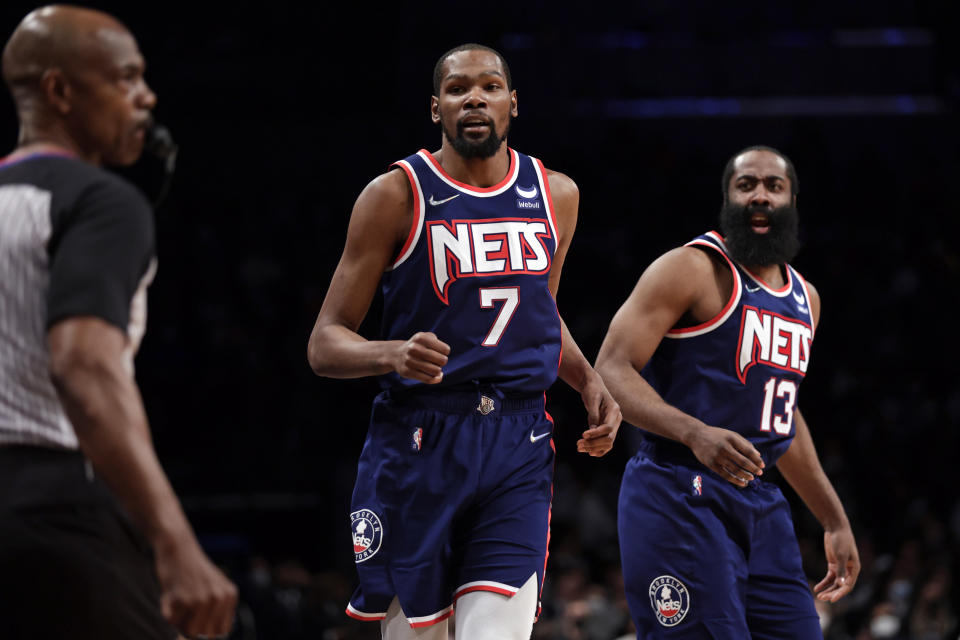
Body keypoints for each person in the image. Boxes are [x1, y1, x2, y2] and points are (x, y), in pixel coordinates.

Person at [307, 43, 621, 640]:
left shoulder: (556, 194)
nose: (474, 97)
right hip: (420, 439)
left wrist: (587, 379)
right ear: (436, 108)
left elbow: (539, 312)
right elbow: (324, 344)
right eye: (457, 89)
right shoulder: (395, 195)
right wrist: (390, 352)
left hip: (518, 440)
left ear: (512, 103)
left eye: (490, 86)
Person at [0, 7, 236, 639]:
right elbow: (83, 365)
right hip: (52, 508)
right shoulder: (100, 201)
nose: (146, 96)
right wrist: (175, 542)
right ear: (59, 91)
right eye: (126, 78)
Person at [595, 146, 860, 638]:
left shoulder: (807, 299)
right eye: (746, 185)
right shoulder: (691, 268)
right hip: (677, 489)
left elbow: (782, 415)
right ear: (727, 199)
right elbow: (610, 367)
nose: (759, 196)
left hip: (760, 503)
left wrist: (833, 518)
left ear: (792, 201)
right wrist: (694, 433)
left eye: (772, 186)